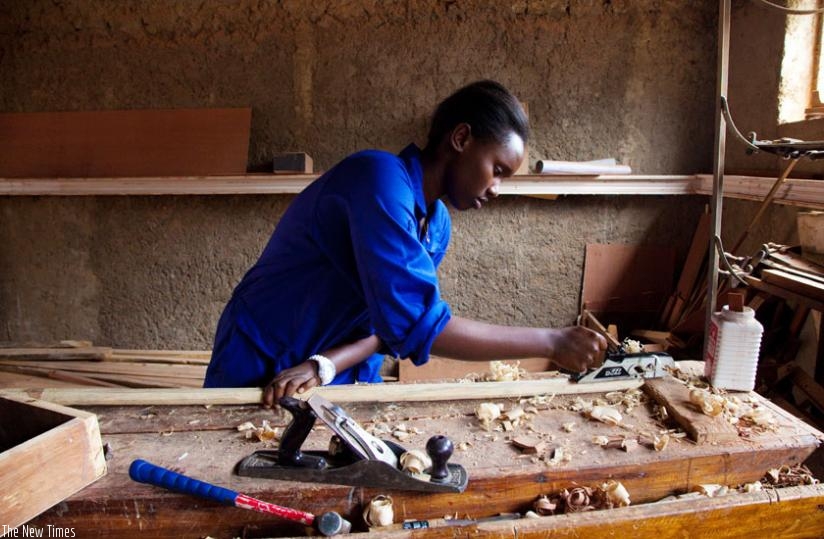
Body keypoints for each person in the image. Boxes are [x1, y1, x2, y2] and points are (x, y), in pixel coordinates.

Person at [204, 80, 607, 406]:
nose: (497, 188)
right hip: (263, 348)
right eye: (497, 169)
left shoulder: (437, 225)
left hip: (331, 364)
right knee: (230, 468)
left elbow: (391, 326)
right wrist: (551, 341)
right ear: (462, 138)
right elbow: (417, 324)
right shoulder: (378, 178)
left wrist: (324, 364)